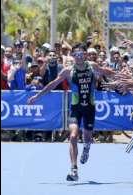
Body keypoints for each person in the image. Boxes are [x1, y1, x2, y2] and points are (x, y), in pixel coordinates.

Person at [27, 43, 116, 181]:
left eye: (81, 55)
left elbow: (107, 71)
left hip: (90, 108)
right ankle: (74, 169)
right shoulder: (68, 71)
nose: (79, 57)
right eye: (76, 55)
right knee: (73, 136)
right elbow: (53, 84)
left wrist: (129, 78)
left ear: (85, 55)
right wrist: (37, 96)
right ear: (72, 56)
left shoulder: (92, 66)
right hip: (75, 108)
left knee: (87, 138)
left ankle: (86, 148)